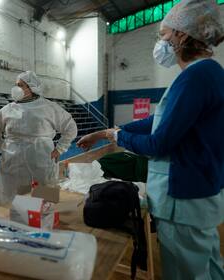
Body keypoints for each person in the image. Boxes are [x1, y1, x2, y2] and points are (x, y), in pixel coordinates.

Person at [77, 1, 224, 279]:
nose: (162, 42)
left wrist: (118, 136)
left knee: (186, 273)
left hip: (183, 198)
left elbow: (158, 143)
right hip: (199, 193)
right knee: (209, 266)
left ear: (182, 34)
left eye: (164, 35)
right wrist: (106, 132)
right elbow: (155, 122)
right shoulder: (208, 74)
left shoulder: (196, 77)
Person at [0, 71, 77, 206]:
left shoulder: (48, 107)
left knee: (45, 198)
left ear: (32, 87)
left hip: (41, 159)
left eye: (21, 85)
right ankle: (14, 222)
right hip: (12, 161)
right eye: (16, 85)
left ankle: (46, 219)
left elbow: (70, 127)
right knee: (13, 200)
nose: (16, 89)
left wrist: (60, 149)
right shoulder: (8, 109)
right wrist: (2, 147)